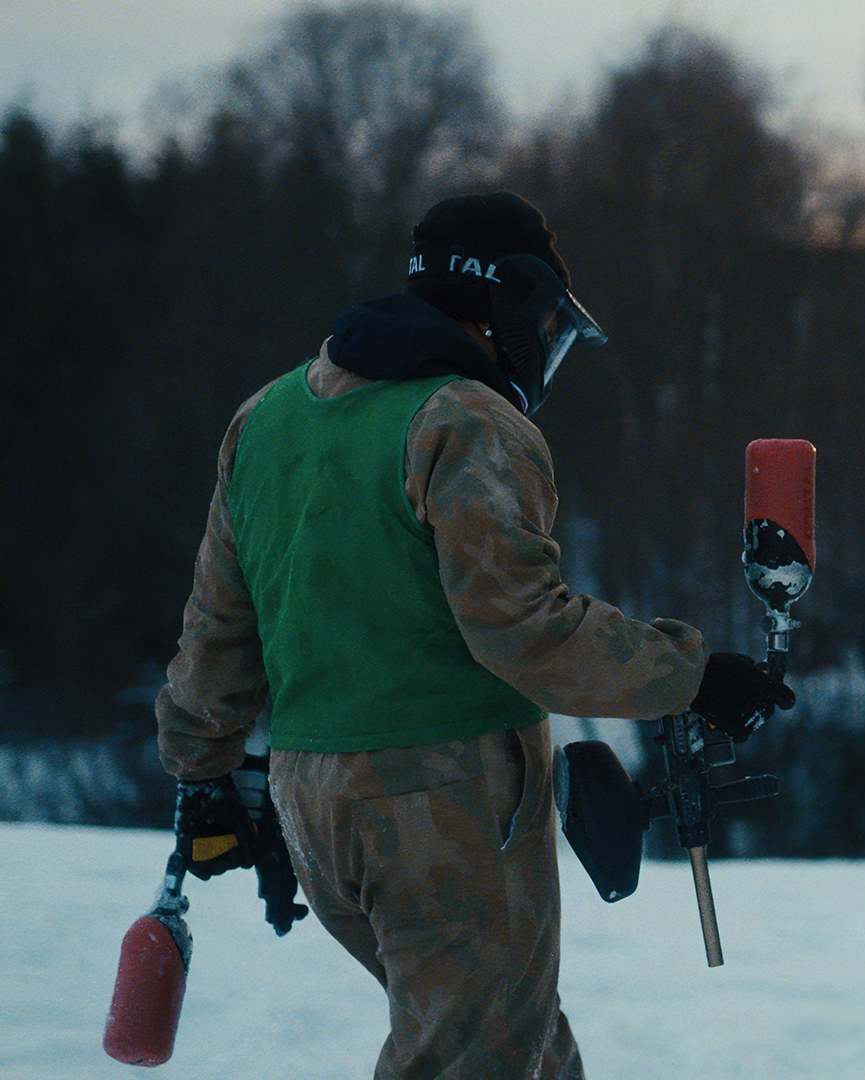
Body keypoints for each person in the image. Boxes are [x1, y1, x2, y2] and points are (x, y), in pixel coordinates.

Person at [153, 191, 793, 1079]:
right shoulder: (466, 422)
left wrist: (202, 769)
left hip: (314, 804)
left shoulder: (266, 418)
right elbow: (521, 625)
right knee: (473, 1055)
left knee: (510, 1038)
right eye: (546, 324)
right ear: (508, 302)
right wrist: (691, 675)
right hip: (440, 806)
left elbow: (218, 630)